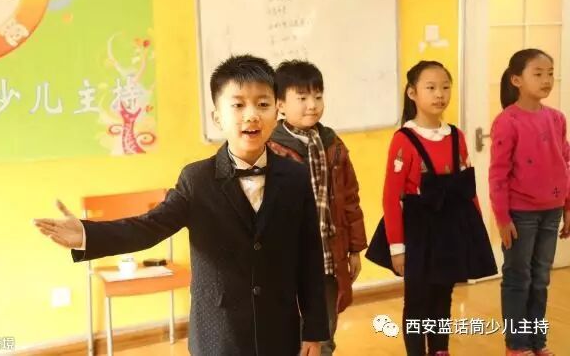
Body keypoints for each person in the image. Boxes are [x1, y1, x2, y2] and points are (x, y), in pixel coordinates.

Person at [33, 54, 329, 356]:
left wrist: (315, 330)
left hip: (279, 331)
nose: (251, 115)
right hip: (219, 334)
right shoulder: (197, 179)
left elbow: (309, 257)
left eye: (262, 104)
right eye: (238, 105)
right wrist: (87, 234)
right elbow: (149, 227)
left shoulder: (295, 176)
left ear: (277, 110)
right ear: (217, 117)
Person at [365, 60, 496, 356]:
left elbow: (467, 190)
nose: (440, 94)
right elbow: (391, 197)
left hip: (449, 230)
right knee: (417, 301)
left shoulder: (456, 136)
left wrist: (474, 236)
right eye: (431, 87)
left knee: (443, 296)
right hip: (418, 233)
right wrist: (397, 248)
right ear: (412, 93)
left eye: (445, 87)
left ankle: (440, 350)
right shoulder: (404, 140)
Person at [266, 60, 367, 355]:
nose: (312, 104)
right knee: (291, 336)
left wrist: (355, 249)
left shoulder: (333, 144)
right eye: (302, 97)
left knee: (325, 333)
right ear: (280, 105)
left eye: (318, 96)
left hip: (328, 259)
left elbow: (350, 198)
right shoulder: (271, 148)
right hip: (289, 263)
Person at [489, 49, 570, 356]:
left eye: (550, 73)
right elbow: (498, 174)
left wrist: (568, 206)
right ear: (516, 80)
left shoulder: (557, 118)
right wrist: (502, 218)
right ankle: (517, 344)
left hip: (552, 211)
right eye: (538, 74)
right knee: (518, 278)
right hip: (520, 214)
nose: (546, 79)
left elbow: (565, 163)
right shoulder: (507, 121)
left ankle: (537, 341)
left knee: (541, 278)